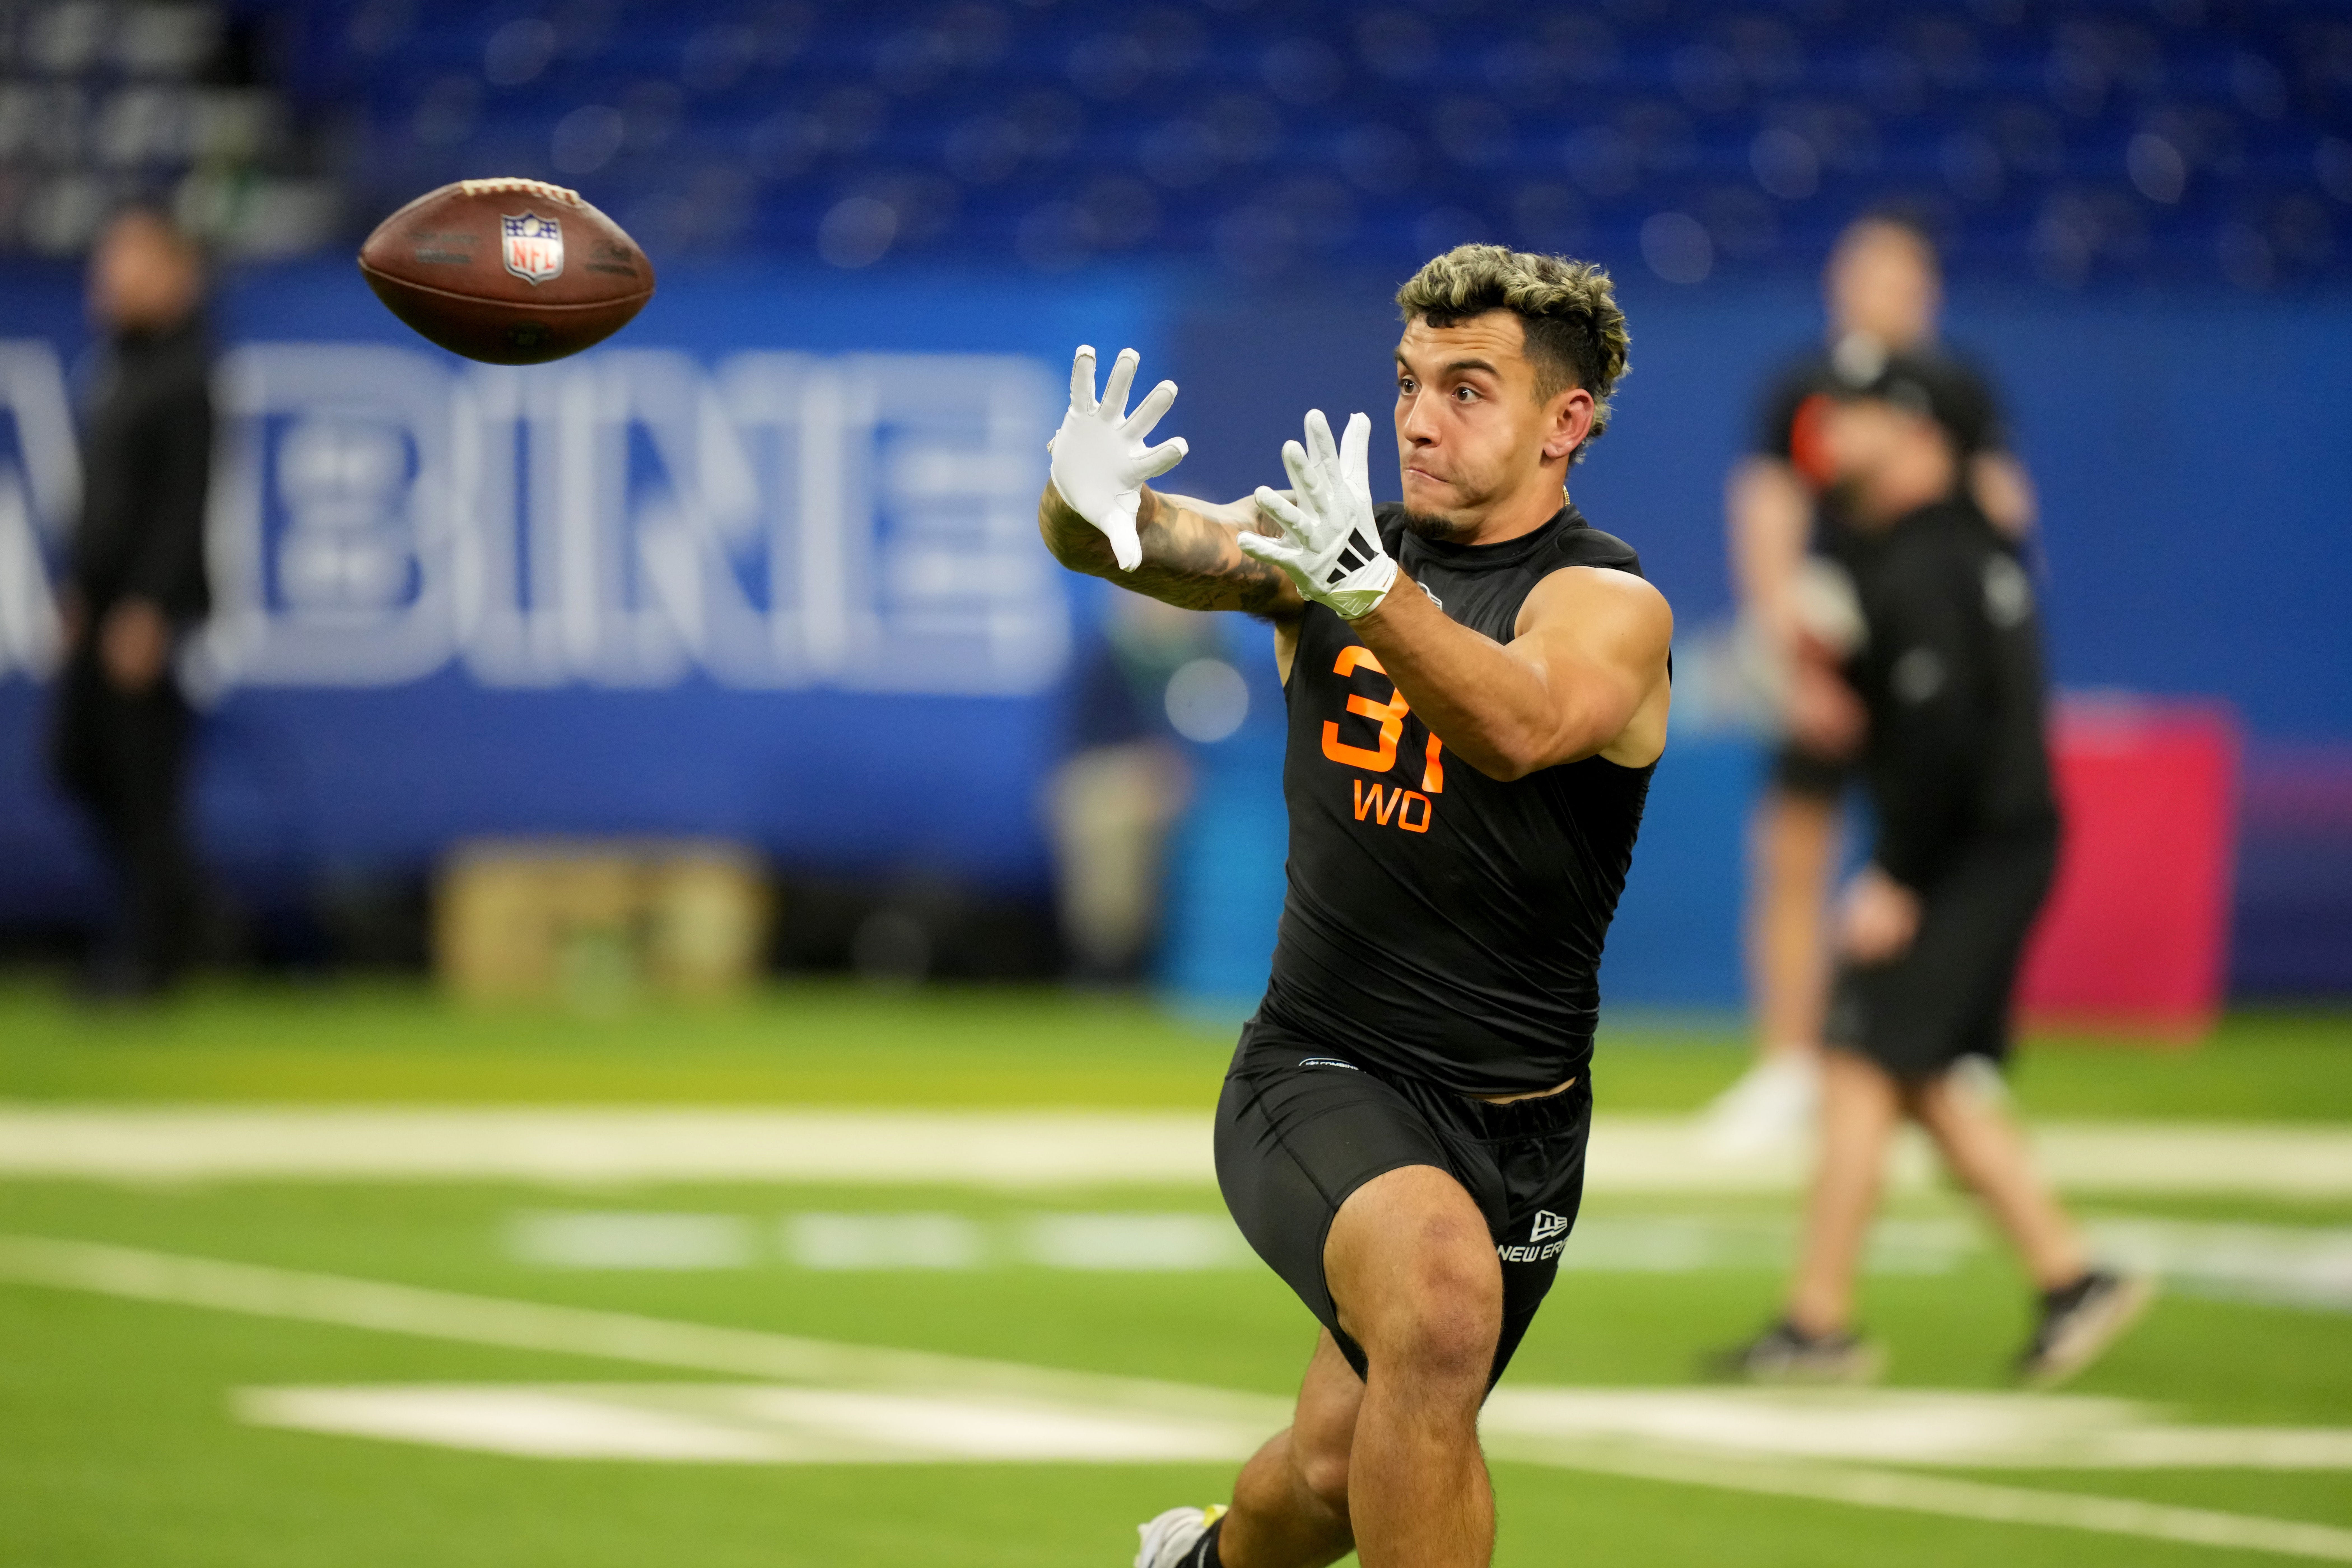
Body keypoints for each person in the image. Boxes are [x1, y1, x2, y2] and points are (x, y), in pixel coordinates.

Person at [1036, 245, 1672, 1568]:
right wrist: (1075, 500)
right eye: (1408, 383)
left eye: (1468, 388)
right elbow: (1149, 544)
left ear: (1569, 423)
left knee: (1333, 1471)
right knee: (1440, 1309)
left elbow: (1520, 721)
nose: (1420, 418)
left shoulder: (1609, 604)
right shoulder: (1329, 546)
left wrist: (1367, 588)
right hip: (1324, 1064)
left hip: (1525, 1121)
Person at [1712, 355, 2150, 1386]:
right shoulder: (1952, 546)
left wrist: (1899, 874)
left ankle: (1868, 1315)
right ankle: (2014, 1285)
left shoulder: (1923, 558)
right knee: (1887, 1063)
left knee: (1875, 1051)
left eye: (1864, 419)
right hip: (1986, 839)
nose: (1841, 434)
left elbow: (1946, 732)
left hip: (1968, 850)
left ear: (1917, 437)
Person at [1705, 213, 2037, 1156]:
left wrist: (2001, 646)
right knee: (1796, 848)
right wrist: (1791, 654)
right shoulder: (1805, 388)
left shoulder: (1956, 389)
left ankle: (1948, 1051)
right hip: (1842, 643)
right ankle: (1787, 1063)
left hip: (1934, 644)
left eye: (1899, 276)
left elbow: (2006, 512)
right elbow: (1766, 512)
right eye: (1866, 273)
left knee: (1950, 847)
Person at [50, 207, 214, 999]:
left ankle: (155, 956)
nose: (110, 275)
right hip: (101, 601)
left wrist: (150, 605)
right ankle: (173, 920)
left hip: (145, 614)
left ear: (178, 274)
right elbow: (103, 501)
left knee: (146, 786)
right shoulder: (117, 365)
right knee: (78, 766)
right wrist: (80, 591)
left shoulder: (188, 375)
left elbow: (184, 504)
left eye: (131, 260)